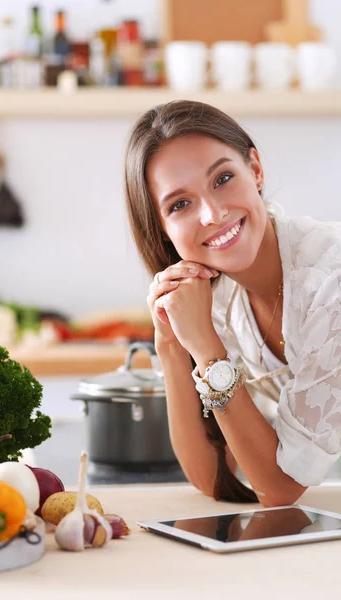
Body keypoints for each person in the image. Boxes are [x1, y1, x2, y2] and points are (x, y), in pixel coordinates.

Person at [124, 100, 341, 507]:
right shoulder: (217, 298)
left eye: (223, 178)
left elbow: (279, 489)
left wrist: (206, 350)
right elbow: (214, 476)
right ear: (163, 230)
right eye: (179, 204)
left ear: (255, 169)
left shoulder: (331, 282)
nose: (214, 212)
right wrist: (170, 344)